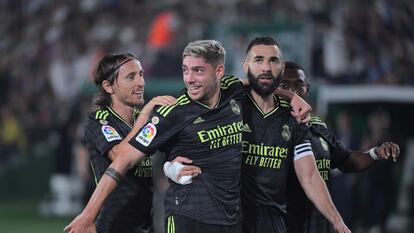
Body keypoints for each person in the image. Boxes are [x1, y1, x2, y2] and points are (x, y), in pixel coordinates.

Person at [64, 40, 311, 233]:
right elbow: (122, 159)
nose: (189, 79)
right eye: (185, 70)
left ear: (219, 72)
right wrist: (88, 215)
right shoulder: (173, 112)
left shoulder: (232, 91)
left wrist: (293, 97)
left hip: (231, 221)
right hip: (188, 219)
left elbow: (257, 85)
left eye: (198, 71)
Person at [165, 37, 351, 233]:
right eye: (258, 60)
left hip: (273, 220)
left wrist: (337, 221)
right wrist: (169, 166)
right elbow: (189, 131)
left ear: (282, 66)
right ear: (246, 66)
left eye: (273, 61)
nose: (266, 67)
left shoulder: (294, 118)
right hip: (230, 219)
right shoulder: (227, 103)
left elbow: (310, 176)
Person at [279, 61, 400, 233]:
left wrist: (376, 153)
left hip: (319, 225)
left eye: (299, 85)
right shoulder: (266, 126)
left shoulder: (318, 127)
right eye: (284, 85)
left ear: (307, 89)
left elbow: (346, 160)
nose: (292, 91)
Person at [78, 53, 178, 233]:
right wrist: (146, 115)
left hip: (145, 224)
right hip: (113, 226)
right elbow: (120, 156)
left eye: (141, 74)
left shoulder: (144, 120)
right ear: (108, 86)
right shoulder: (100, 121)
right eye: (131, 77)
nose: (140, 82)